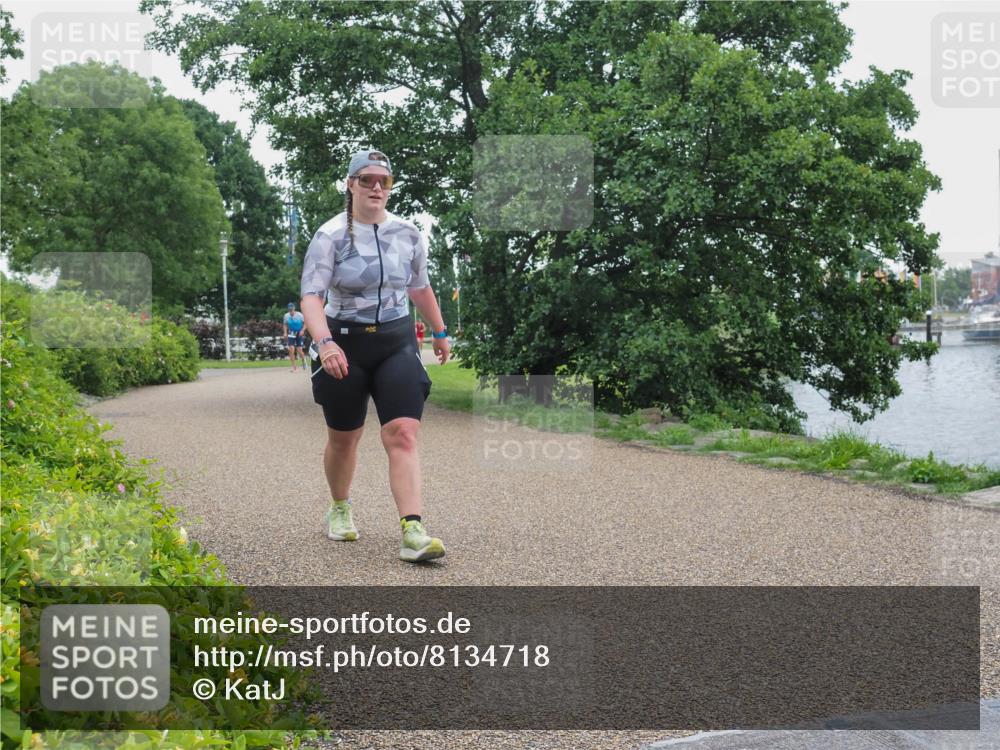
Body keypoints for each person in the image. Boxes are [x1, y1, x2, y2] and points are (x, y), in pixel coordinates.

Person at [300, 148, 451, 563]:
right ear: (350, 185)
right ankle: (339, 506)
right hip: (344, 345)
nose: (376, 187)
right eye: (367, 179)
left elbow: (419, 286)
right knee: (344, 438)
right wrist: (325, 342)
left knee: (403, 433)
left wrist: (439, 331)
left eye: (384, 181)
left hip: (395, 342)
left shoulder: (408, 233)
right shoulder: (330, 236)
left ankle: (413, 530)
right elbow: (311, 296)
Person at [283, 302, 307, 371]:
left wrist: (302, 330)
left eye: (292, 309)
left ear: (294, 308)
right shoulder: (286, 316)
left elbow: (305, 323)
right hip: (291, 333)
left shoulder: (299, 315)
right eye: (289, 309)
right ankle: (294, 367)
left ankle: (303, 361)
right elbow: (285, 324)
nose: (291, 310)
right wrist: (285, 332)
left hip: (299, 333)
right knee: (291, 349)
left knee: (299, 351)